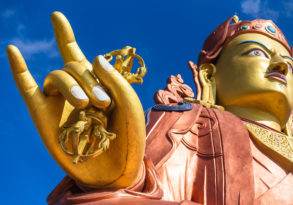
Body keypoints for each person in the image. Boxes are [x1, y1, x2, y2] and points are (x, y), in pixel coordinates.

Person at [6, 12, 293, 205]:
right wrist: (110, 181)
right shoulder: (187, 127)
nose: (281, 66)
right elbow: (133, 194)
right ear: (208, 76)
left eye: (289, 64)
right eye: (257, 53)